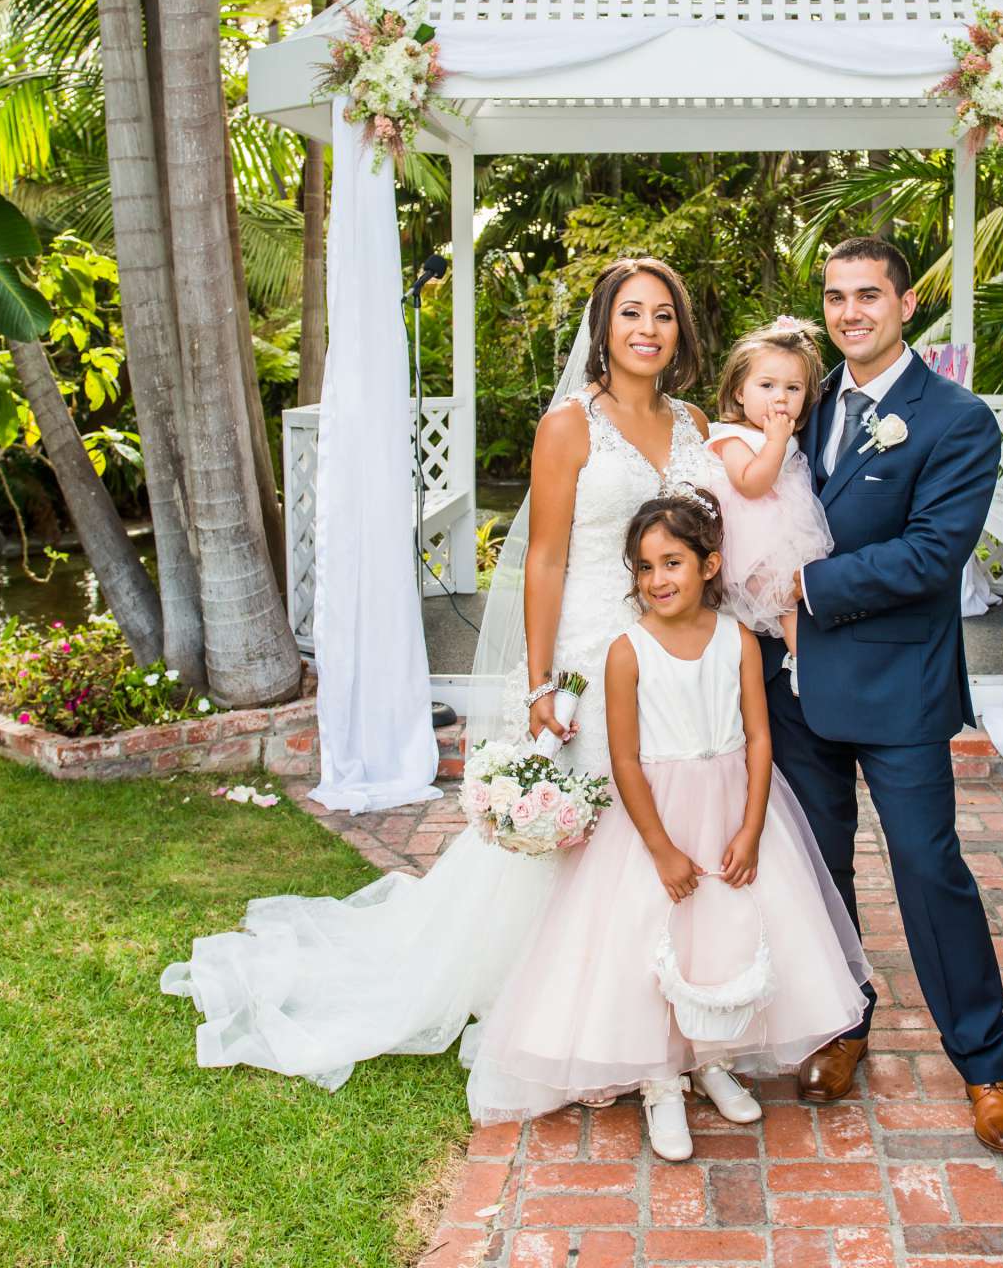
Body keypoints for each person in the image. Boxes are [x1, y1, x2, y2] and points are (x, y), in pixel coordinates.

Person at [160, 259, 720, 1088]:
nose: (648, 328)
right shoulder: (570, 426)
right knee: (590, 827)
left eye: (664, 314)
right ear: (602, 327)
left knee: (676, 809)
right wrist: (540, 687)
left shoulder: (698, 422)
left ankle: (672, 985)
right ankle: (570, 993)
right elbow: (545, 559)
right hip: (592, 648)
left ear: (681, 331)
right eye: (630, 312)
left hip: (679, 655)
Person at [463, 495, 868, 1161]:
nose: (657, 580)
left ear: (710, 565)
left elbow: (761, 740)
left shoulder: (738, 641)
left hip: (732, 804)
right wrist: (659, 846)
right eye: (644, 567)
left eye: (672, 562)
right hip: (659, 820)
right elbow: (624, 758)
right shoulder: (628, 652)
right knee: (654, 935)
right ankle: (659, 1080)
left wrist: (750, 826)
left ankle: (710, 1058)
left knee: (723, 930)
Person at [770, 236, 1003, 1155]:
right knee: (819, 869)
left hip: (898, 685)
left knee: (929, 869)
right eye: (837, 296)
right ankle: (843, 1024)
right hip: (796, 688)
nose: (851, 312)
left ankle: (986, 1066)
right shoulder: (800, 407)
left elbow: (933, 555)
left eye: (869, 295)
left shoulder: (956, 420)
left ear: (907, 302)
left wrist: (802, 584)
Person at [704, 319, 834, 691]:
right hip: (750, 543)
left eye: (793, 388)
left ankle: (804, 661)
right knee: (780, 602)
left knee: (795, 600)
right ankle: (802, 665)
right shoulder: (730, 437)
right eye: (767, 386)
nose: (780, 398)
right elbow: (750, 484)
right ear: (739, 391)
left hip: (786, 536)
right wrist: (777, 442)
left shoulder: (788, 434)